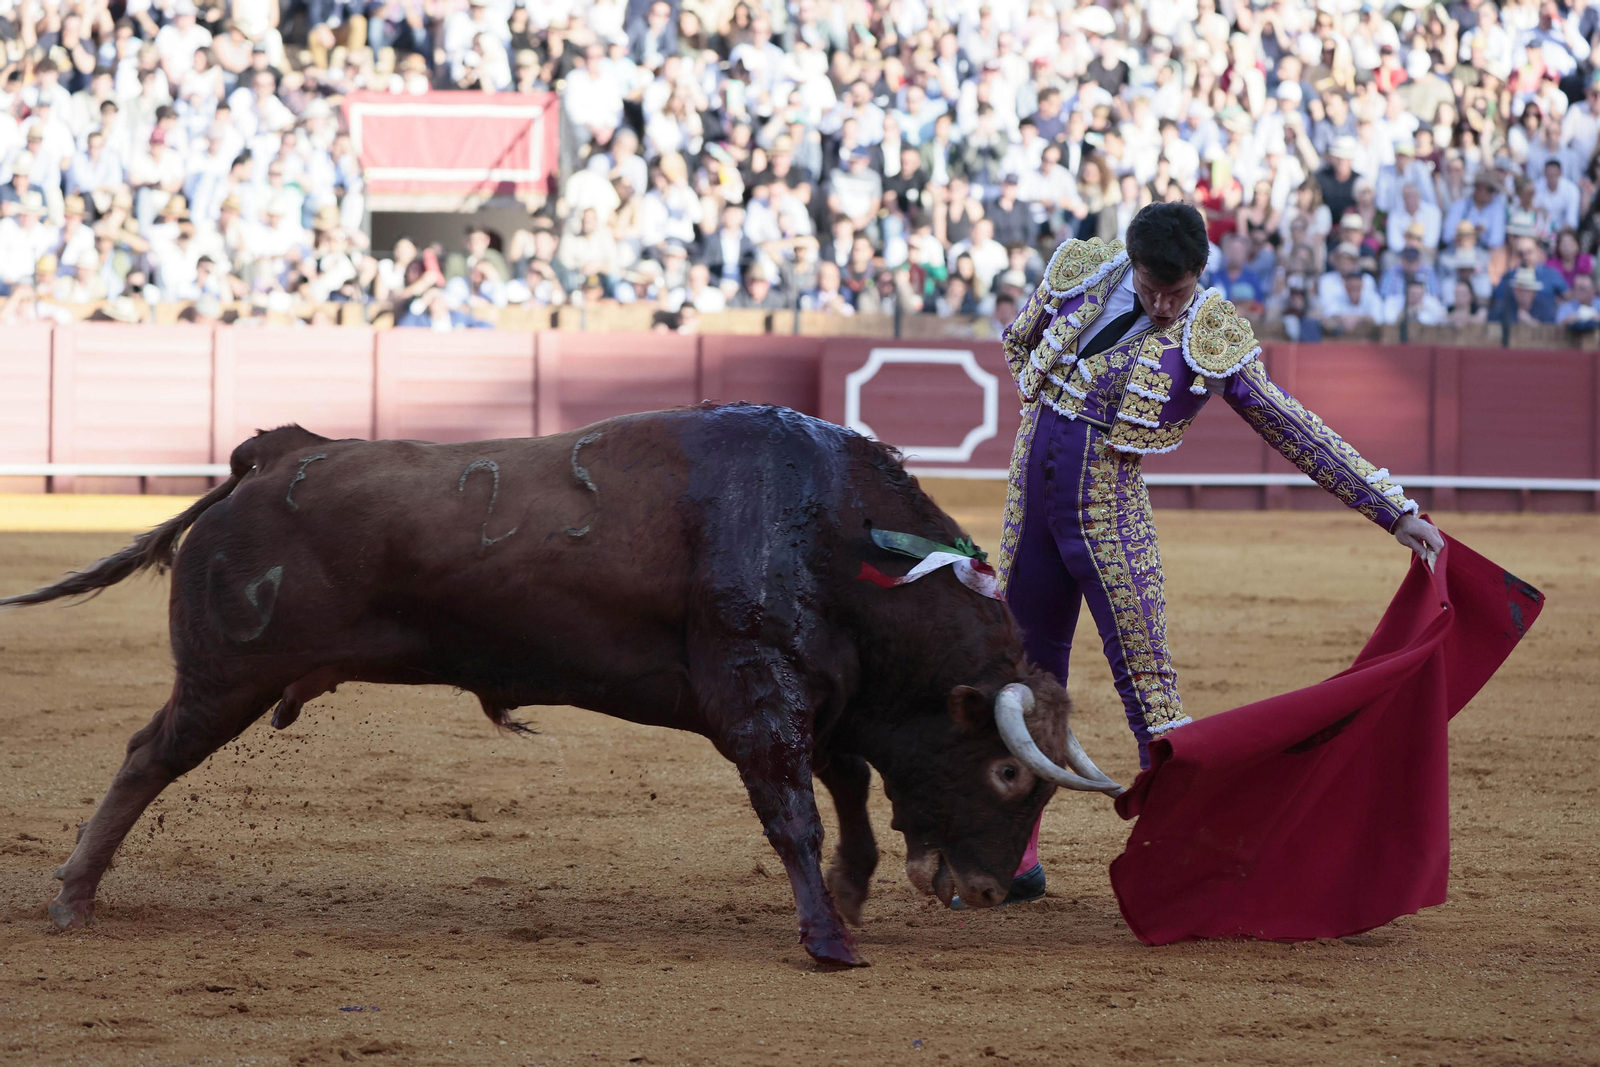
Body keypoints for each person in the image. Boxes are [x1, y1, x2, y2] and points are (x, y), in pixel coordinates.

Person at [993, 203, 1442, 904]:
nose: (1166, 305)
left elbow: (1289, 422)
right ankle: (1012, 855)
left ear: (1201, 275)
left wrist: (1393, 510)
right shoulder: (1080, 273)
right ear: (1132, 265)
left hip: (1108, 517)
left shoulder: (1210, 333)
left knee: (1150, 690)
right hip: (1032, 509)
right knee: (1021, 679)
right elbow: (1022, 345)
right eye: (1152, 289)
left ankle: (1184, 866)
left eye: (1178, 291)